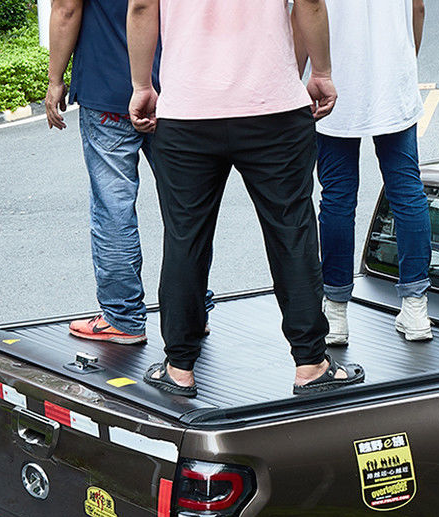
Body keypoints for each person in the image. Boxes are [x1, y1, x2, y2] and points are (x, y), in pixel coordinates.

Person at [126, 0, 364, 396]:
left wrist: (141, 86)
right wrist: (321, 72)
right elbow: (309, 2)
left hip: (187, 112)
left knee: (185, 237)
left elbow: (140, 7)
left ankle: (179, 367)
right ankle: (310, 364)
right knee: (292, 232)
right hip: (274, 108)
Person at [45, 0, 213, 345]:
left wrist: (55, 79)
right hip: (175, 87)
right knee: (187, 207)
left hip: (107, 88)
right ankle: (191, 314)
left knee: (113, 208)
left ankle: (122, 318)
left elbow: (66, 8)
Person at [304, 0, 432, 344]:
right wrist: (405, 62)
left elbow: (305, 10)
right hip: (393, 80)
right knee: (407, 191)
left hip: (335, 78)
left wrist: (294, 77)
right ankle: (415, 307)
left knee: (337, 197)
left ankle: (336, 312)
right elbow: (418, 8)